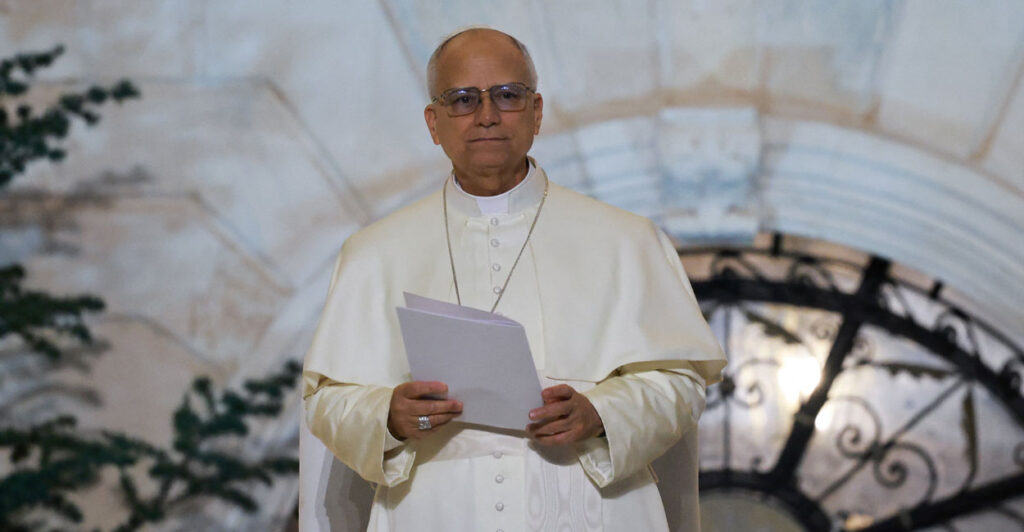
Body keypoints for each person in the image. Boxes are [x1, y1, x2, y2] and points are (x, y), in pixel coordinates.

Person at [303, 27, 726, 532]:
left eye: (507, 95)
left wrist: (600, 414)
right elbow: (328, 397)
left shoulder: (625, 240)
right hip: (435, 510)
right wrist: (389, 417)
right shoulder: (374, 253)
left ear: (537, 112)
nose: (486, 115)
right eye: (462, 100)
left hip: (593, 508)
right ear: (433, 123)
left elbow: (680, 382)